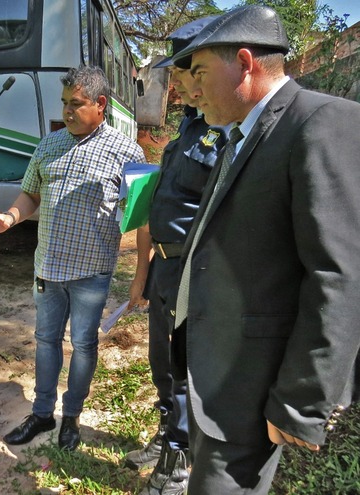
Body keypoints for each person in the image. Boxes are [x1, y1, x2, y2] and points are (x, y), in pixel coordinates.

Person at [166, 5, 360, 494]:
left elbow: (339, 274)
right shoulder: (239, 135)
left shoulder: (320, 123)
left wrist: (301, 403)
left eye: (202, 73)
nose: (191, 90)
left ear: (246, 63)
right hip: (218, 375)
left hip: (254, 388)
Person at [0, 65, 145, 451]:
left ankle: (71, 418)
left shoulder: (127, 152)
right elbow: (30, 194)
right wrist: (9, 218)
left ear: (100, 104)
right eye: (65, 103)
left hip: (92, 273)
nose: (68, 111)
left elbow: (142, 216)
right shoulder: (48, 146)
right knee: (46, 340)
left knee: (83, 346)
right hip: (48, 269)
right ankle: (41, 414)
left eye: (77, 104)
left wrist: (141, 275)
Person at [122, 17, 227, 495]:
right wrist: (142, 273)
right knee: (161, 363)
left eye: (182, 73)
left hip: (192, 269)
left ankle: (178, 465)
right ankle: (166, 436)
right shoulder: (187, 128)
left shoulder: (226, 133)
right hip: (165, 266)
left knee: (184, 369)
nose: (175, 84)